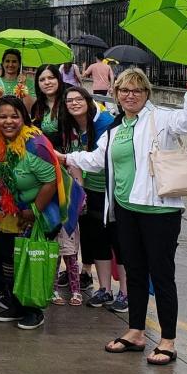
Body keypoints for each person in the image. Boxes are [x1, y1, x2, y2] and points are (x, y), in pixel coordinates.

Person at [63, 65, 187, 366]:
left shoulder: (162, 118)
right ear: (116, 93)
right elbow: (95, 159)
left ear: (146, 93)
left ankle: (167, 340)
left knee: (162, 275)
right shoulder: (116, 128)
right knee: (135, 272)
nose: (130, 95)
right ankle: (136, 331)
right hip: (125, 210)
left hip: (159, 211)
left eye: (137, 90)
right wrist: (64, 157)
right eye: (124, 90)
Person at [0, 95, 60, 330]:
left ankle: (33, 310)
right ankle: (16, 303)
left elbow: (50, 181)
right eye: (2, 117)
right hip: (12, 211)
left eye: (14, 116)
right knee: (9, 256)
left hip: (38, 214)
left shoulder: (35, 144)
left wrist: (33, 210)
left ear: (24, 119)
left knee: (30, 259)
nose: (8, 121)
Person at [58, 86, 119, 308]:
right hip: (90, 189)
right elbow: (76, 163)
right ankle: (104, 289)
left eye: (78, 99)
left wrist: (65, 158)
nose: (74, 103)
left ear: (88, 100)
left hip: (111, 190)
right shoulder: (72, 127)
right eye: (69, 100)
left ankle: (124, 292)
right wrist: (80, 190)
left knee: (117, 242)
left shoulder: (104, 123)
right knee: (96, 239)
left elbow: (98, 159)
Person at [31, 64, 66, 137]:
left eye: (51, 78)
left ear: (58, 79)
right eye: (42, 80)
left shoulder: (69, 101)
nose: (47, 82)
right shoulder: (37, 106)